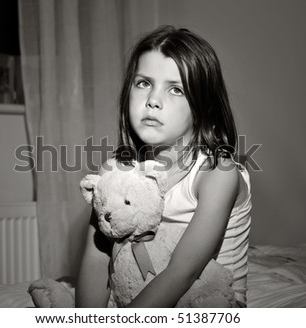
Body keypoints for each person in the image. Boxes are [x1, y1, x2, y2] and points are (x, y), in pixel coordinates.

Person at [76, 25, 251, 308]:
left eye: (176, 89)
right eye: (144, 83)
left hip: (204, 303)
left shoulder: (218, 174)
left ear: (203, 108)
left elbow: (182, 273)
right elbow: (96, 257)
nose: (153, 101)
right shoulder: (116, 172)